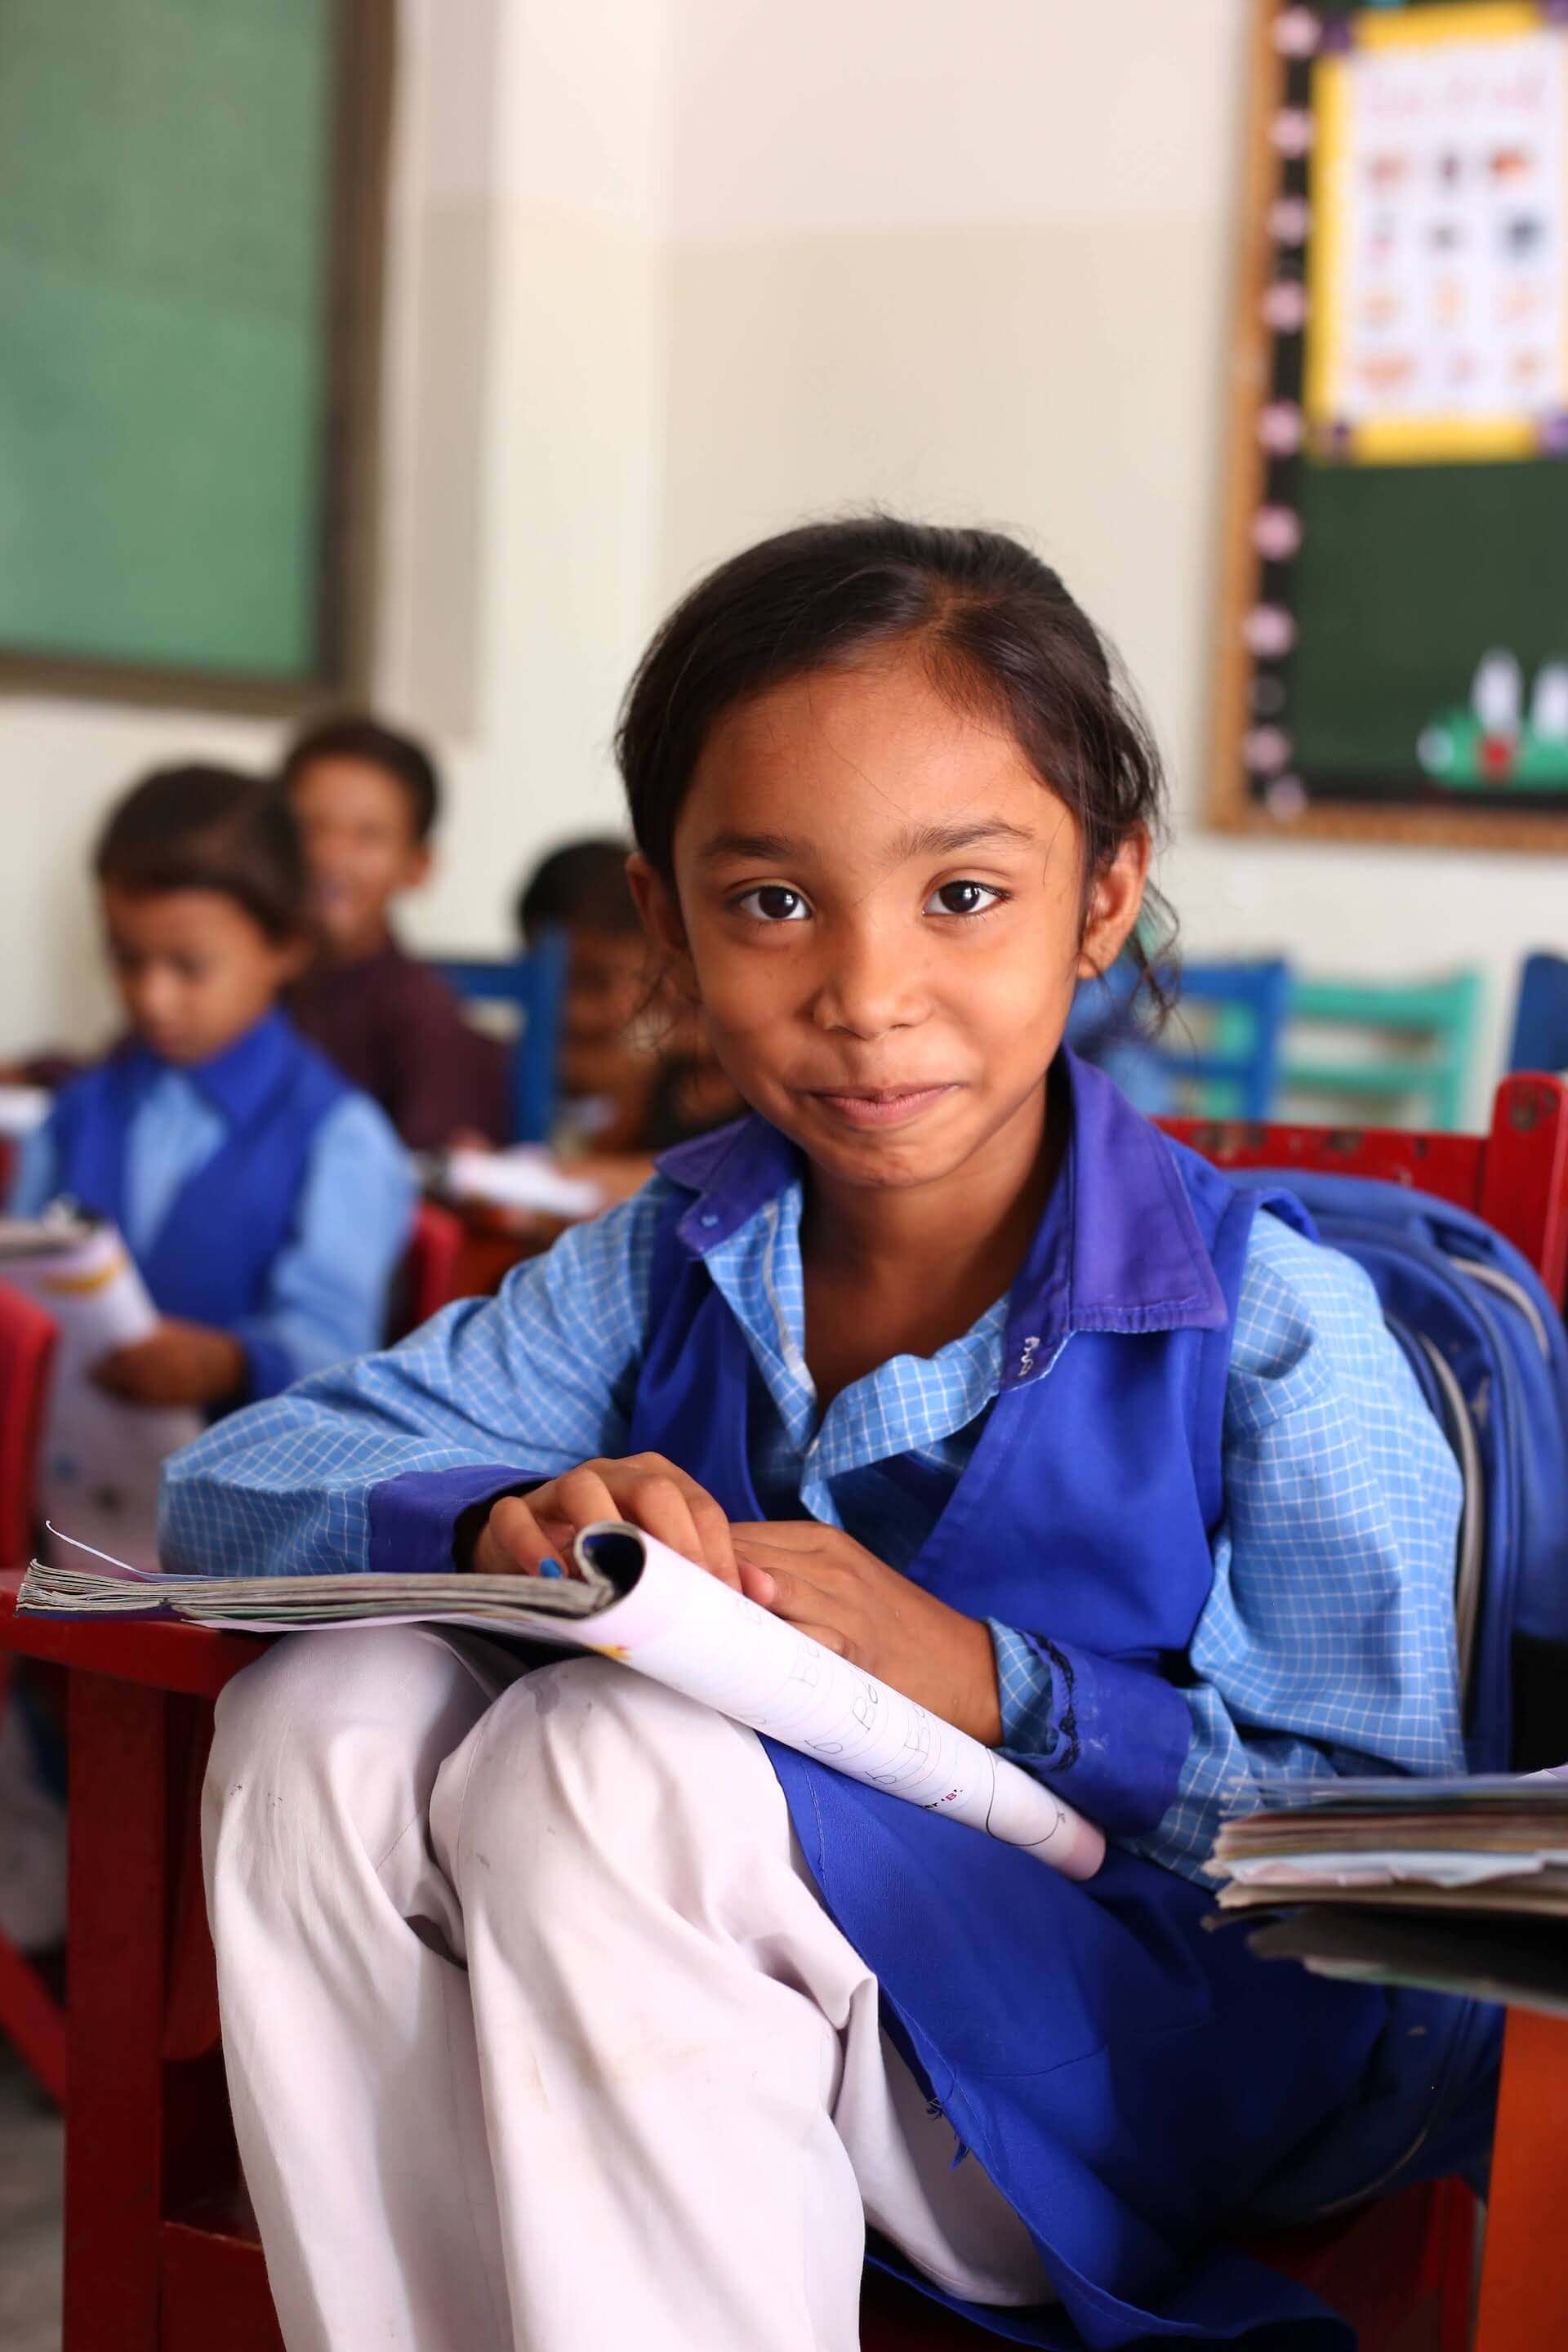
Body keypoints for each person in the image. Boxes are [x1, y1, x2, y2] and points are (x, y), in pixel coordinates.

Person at [165, 521, 1492, 2352]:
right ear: (669, 922)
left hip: (1138, 2070)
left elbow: (1389, 1863)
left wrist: (1000, 1686)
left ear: (1106, 898)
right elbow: (227, 1491)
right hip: (686, 2013)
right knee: (317, 1717)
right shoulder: (665, 1260)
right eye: (774, 901)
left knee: (610, 1761)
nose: (866, 992)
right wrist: (494, 1523)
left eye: (963, 896)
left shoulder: (1273, 1327)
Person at [8, 766, 414, 1410]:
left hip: (244, 1497)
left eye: (188, 967)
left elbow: (338, 1350)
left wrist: (230, 1363)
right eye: (126, 959)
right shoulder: (77, 1111)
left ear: (287, 946)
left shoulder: (342, 1138)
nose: (152, 997)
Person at [282, 714, 506, 1149]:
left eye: (367, 836)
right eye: (310, 827)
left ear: (417, 867)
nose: (330, 856)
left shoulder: (426, 1020)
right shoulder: (237, 987)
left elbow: (433, 1182)